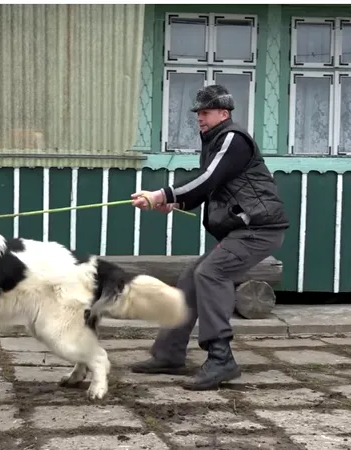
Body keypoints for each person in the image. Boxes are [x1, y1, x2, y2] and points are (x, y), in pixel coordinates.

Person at [129, 84, 289, 391]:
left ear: (223, 113)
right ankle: (169, 354)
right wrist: (173, 202)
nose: (199, 119)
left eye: (205, 113)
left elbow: (207, 179)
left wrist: (160, 194)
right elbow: (213, 187)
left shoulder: (232, 138)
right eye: (198, 113)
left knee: (210, 273)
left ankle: (221, 359)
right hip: (244, 229)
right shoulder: (216, 141)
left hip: (259, 229)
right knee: (192, 277)